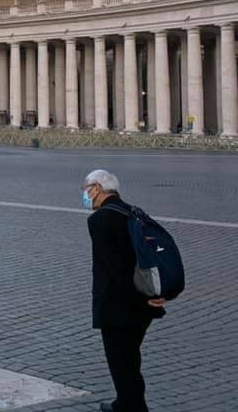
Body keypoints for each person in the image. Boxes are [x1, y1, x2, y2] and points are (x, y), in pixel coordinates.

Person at [82, 169, 166, 412]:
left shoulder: (99, 220)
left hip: (119, 305)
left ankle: (133, 407)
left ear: (96, 188)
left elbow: (114, 268)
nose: (85, 195)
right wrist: (151, 297)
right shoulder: (133, 212)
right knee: (130, 359)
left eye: (86, 189)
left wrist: (139, 299)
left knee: (122, 364)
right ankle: (124, 403)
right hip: (143, 305)